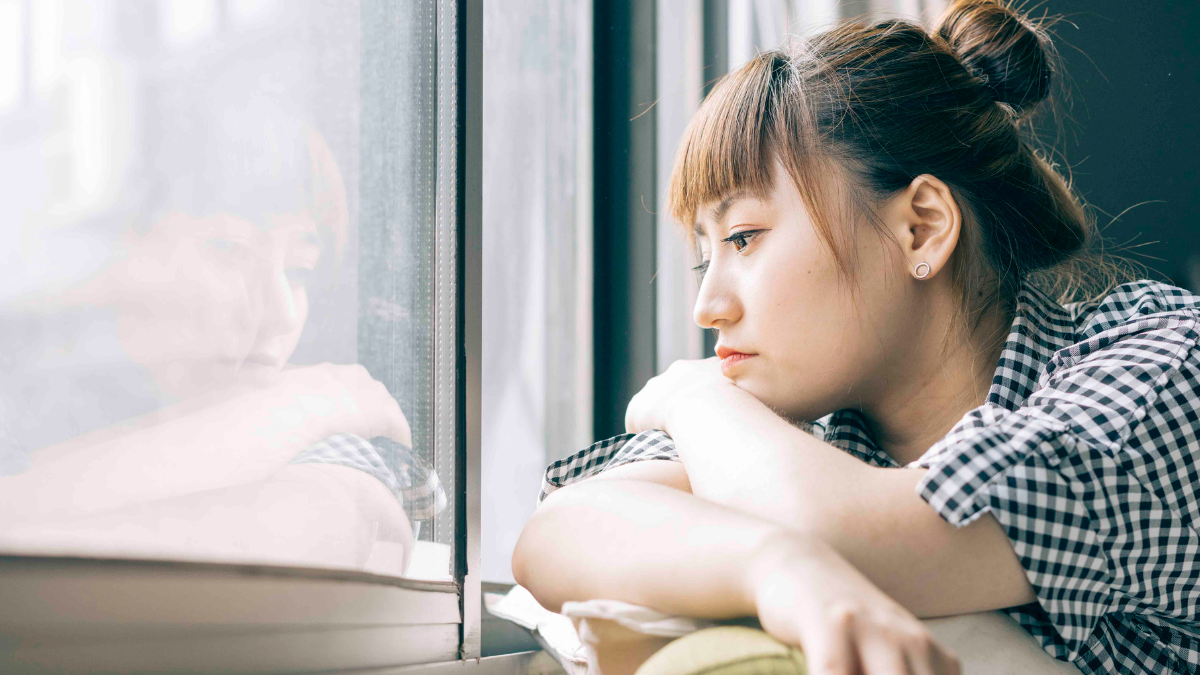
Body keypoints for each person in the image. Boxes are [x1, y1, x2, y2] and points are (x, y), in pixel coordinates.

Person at [513, 1, 1199, 673]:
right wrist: (775, 565)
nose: (707, 305)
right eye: (705, 255)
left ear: (921, 227)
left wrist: (692, 400)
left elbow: (848, 526)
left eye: (745, 237)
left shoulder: (1164, 370)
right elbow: (555, 536)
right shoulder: (799, 421)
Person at [0, 90, 438, 576]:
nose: (280, 314)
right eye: (229, 250)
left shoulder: (326, 444)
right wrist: (294, 410)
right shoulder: (24, 393)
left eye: (300, 269)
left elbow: (333, 517)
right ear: (124, 247)